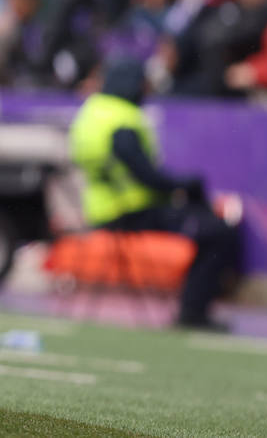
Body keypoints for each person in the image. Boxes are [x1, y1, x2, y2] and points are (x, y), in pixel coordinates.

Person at [68, 59, 240, 329]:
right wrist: (185, 185)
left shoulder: (92, 111)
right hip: (130, 211)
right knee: (218, 231)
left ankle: (192, 307)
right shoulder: (123, 119)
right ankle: (193, 311)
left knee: (206, 224)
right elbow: (145, 175)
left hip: (100, 210)